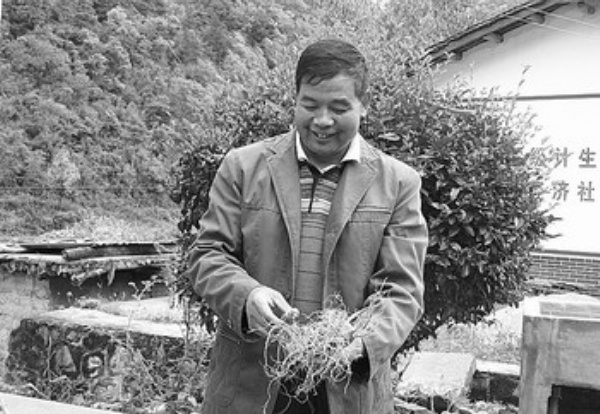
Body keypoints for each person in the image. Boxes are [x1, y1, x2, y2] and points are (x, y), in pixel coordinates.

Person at [185, 38, 428, 414]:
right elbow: (207, 254)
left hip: (348, 387)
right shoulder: (243, 167)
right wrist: (247, 296)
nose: (322, 120)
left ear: (363, 105)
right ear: (295, 100)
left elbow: (402, 290)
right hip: (250, 386)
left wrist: (364, 340)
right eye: (310, 105)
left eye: (339, 108)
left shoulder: (398, 183)